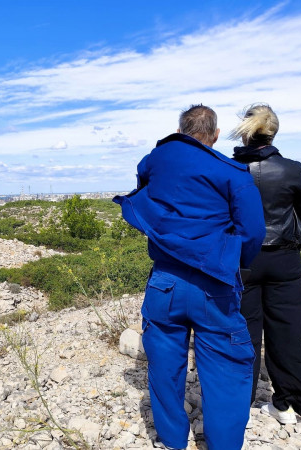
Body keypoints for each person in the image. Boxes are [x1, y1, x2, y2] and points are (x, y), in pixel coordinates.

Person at [113, 105, 266, 450]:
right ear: (213, 135)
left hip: (164, 282)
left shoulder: (155, 160)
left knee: (165, 367)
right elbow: (253, 231)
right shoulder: (231, 171)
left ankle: (172, 440)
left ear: (181, 130)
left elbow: (146, 190)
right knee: (226, 368)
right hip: (214, 285)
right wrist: (232, 260)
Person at [230, 103, 301, 424]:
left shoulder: (230, 168)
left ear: (247, 131)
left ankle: (238, 406)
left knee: (242, 334)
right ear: (273, 131)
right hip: (284, 259)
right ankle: (289, 407)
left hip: (242, 261)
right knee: (288, 334)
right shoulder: (292, 168)